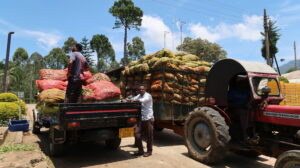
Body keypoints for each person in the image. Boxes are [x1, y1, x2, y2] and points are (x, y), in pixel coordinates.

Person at [132, 85, 154, 157]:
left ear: (145, 89)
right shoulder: (138, 95)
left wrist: (135, 100)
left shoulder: (148, 96)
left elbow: (143, 100)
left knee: (149, 136)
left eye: (142, 89)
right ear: (138, 90)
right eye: (140, 89)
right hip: (141, 119)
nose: (141, 90)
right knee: (136, 134)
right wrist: (128, 100)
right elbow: (133, 98)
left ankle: (149, 151)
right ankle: (140, 150)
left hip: (148, 118)